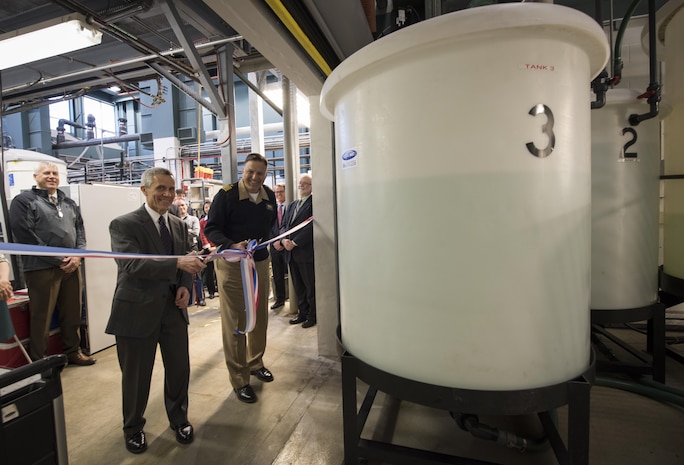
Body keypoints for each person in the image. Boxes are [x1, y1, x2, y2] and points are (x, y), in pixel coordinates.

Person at [107, 167, 206, 454]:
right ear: (144, 190)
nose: (166, 194)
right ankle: (133, 427)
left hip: (173, 309)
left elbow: (186, 259)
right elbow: (131, 265)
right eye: (160, 188)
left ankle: (179, 419)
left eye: (171, 189)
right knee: (137, 376)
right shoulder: (123, 224)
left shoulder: (177, 224)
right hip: (136, 312)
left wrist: (186, 284)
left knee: (179, 370)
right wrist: (176, 265)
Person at [204, 153, 277, 404]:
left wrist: (277, 240)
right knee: (236, 321)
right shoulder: (226, 195)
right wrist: (231, 244)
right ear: (242, 172)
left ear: (265, 175)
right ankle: (239, 379)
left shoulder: (269, 197)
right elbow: (211, 228)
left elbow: (271, 227)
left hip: (259, 263)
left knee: (259, 316)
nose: (255, 178)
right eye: (250, 172)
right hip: (233, 265)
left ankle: (255, 362)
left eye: (260, 173)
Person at [9, 161, 95, 365]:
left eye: (55, 173)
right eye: (46, 172)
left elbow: (80, 232)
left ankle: (73, 352)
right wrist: (58, 260)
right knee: (42, 317)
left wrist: (78, 256)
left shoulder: (68, 203)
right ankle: (40, 362)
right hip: (41, 269)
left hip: (72, 267)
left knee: (72, 312)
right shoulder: (23, 201)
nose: (51, 176)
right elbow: (26, 236)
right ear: (35, 177)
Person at [282, 174, 316, 328]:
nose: (302, 185)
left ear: (311, 186)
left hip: (305, 252)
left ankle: (312, 315)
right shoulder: (292, 205)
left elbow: (312, 226)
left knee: (310, 286)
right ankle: (302, 313)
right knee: (298, 286)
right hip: (291, 253)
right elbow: (284, 225)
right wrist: (283, 240)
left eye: (306, 183)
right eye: (300, 183)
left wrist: (295, 242)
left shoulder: (314, 203)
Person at [178, 199, 205, 306]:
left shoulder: (193, 219)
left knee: (197, 273)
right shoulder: (173, 221)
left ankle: (201, 298)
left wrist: (186, 231)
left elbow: (195, 233)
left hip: (192, 248)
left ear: (187, 206)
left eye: (183, 205)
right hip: (179, 249)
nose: (181, 207)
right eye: (178, 206)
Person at [269, 183, 288, 310]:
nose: (278, 194)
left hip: (287, 244)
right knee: (277, 274)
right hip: (274, 245)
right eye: (276, 192)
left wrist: (282, 241)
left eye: (281, 192)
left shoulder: (290, 207)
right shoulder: (272, 209)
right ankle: (280, 299)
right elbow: (268, 226)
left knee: (292, 273)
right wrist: (274, 241)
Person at [199, 200, 217, 299]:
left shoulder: (217, 219)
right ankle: (211, 291)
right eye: (206, 207)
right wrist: (208, 246)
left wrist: (216, 246)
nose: (208, 209)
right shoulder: (202, 221)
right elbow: (202, 234)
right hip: (208, 249)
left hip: (218, 247)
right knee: (209, 271)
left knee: (219, 269)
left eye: (209, 207)